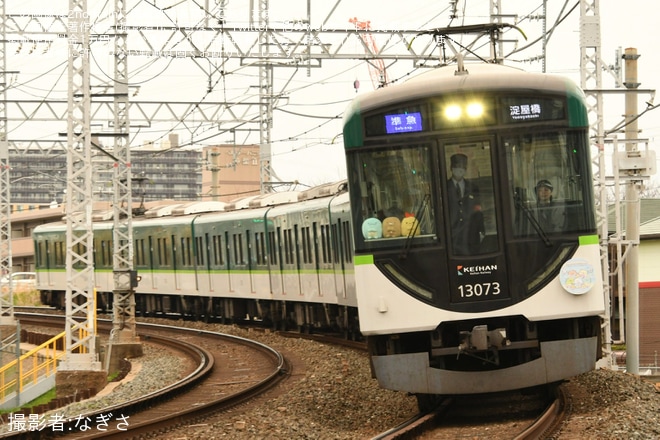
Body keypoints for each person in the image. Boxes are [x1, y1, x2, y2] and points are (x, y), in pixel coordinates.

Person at [447, 153, 484, 255]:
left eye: (463, 167)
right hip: (452, 235)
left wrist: (481, 231)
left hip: (471, 233)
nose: (460, 170)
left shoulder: (473, 187)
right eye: (457, 166)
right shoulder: (444, 188)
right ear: (451, 168)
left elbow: (478, 209)